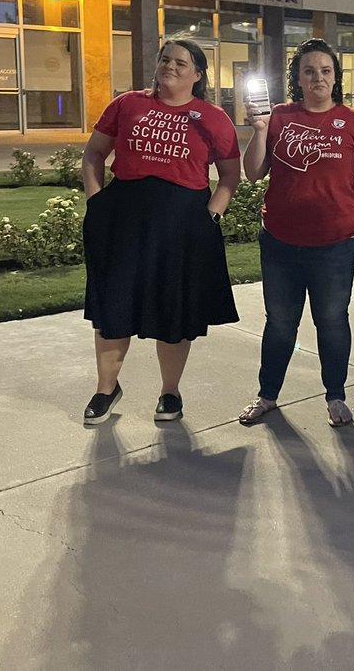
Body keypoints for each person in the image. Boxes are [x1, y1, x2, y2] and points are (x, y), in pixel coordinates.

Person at [80, 39, 240, 425]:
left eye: (180, 63)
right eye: (165, 60)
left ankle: (170, 392)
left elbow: (229, 177)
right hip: (124, 219)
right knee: (114, 305)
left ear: (197, 74)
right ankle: (106, 389)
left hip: (182, 225)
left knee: (174, 310)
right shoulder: (127, 104)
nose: (170, 66)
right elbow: (94, 154)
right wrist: (97, 202)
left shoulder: (213, 117)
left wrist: (211, 217)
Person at [236, 39, 354, 428]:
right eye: (309, 71)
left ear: (335, 77)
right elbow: (253, 172)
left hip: (335, 246)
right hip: (280, 243)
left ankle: (335, 396)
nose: (318, 77)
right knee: (279, 323)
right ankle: (267, 395)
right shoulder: (279, 117)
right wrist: (260, 129)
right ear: (297, 78)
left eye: (325, 70)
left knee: (332, 321)